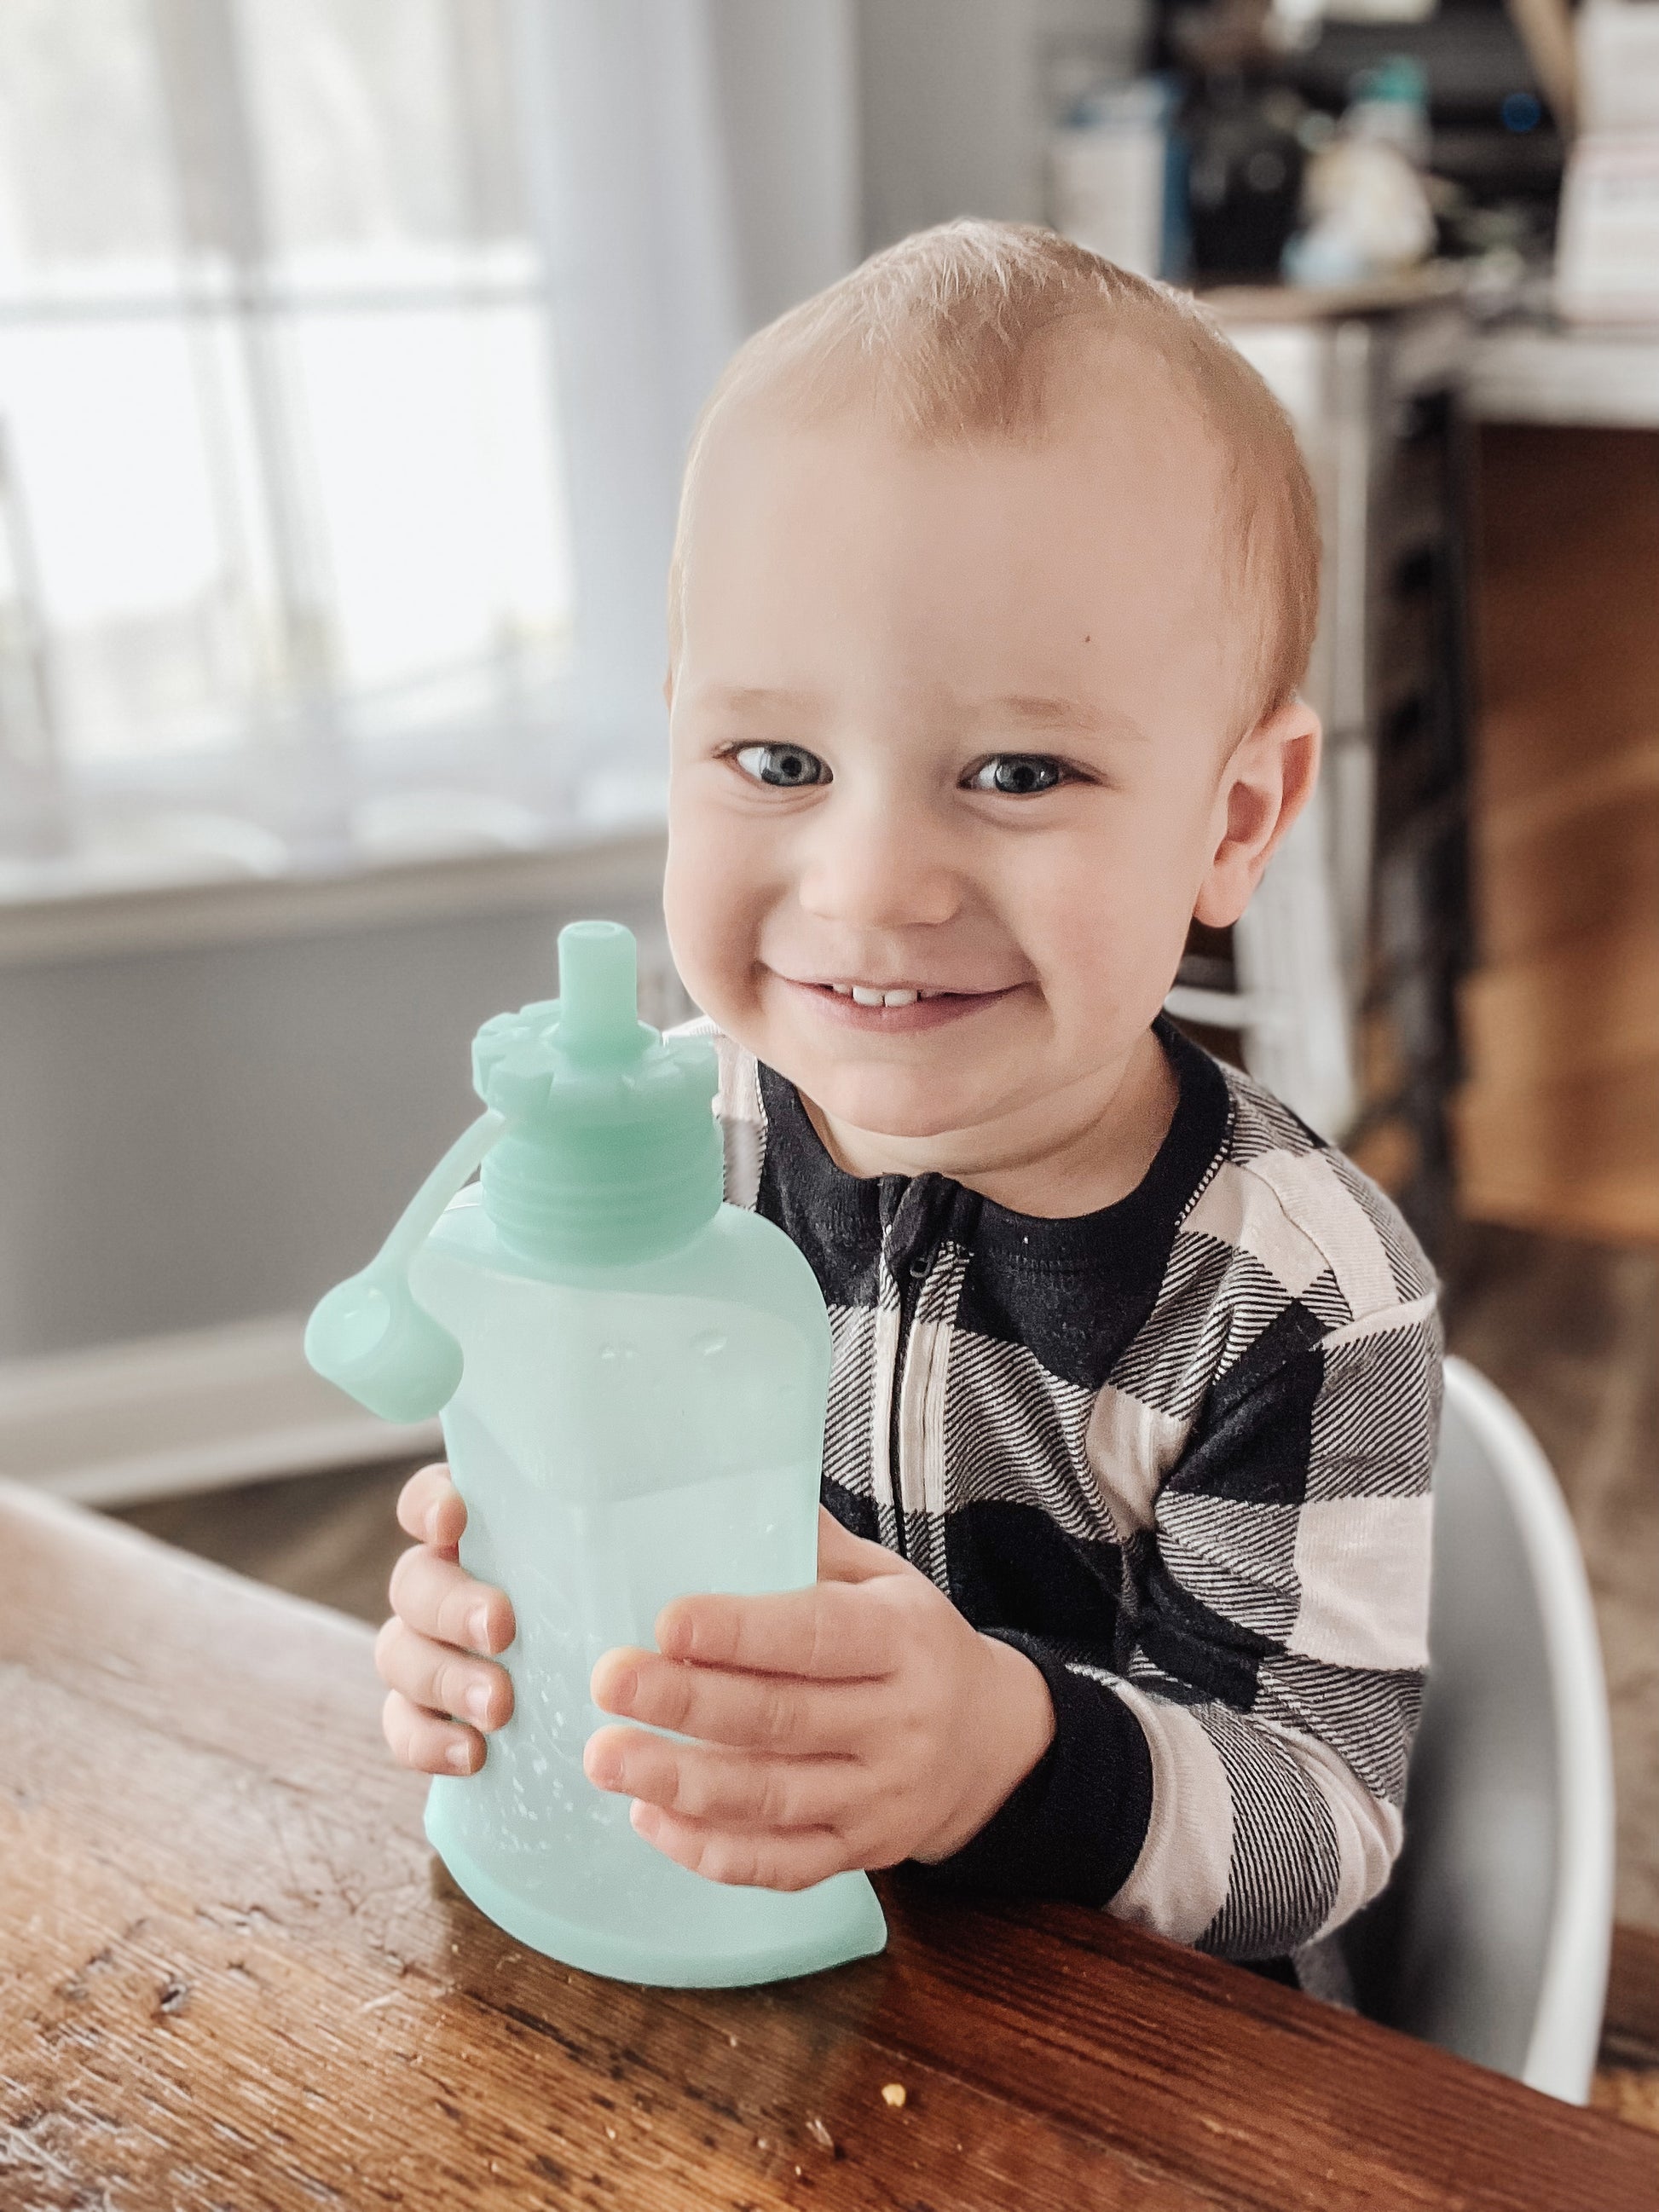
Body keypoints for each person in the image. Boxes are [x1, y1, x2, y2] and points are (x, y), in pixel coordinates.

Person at [372, 221, 1441, 1989]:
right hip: (686, 1957)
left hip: (1105, 2046)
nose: (869, 886)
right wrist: (478, 1638)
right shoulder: (657, 1153)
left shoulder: (1295, 1294)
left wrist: (994, 1753)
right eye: (777, 760)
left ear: (1235, 818)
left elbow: (1315, 1824)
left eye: (1017, 770)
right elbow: (551, 1537)